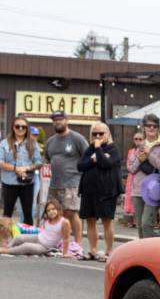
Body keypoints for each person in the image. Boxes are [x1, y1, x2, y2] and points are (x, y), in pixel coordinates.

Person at [44, 110, 89, 246]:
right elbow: (46, 160)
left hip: (72, 183)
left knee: (72, 213)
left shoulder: (77, 138)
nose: (57, 122)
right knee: (55, 214)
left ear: (67, 120)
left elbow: (88, 156)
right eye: (55, 120)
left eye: (60, 119)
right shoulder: (50, 141)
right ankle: (61, 243)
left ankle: (78, 244)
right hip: (54, 184)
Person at [77, 123, 121, 261]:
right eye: (94, 134)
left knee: (107, 220)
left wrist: (98, 150)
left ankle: (108, 252)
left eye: (100, 133)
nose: (97, 136)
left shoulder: (113, 149)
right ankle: (93, 250)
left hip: (107, 191)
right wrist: (93, 159)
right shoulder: (89, 149)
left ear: (107, 134)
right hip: (89, 190)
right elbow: (80, 166)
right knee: (90, 220)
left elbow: (106, 164)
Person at [127, 114, 160, 239]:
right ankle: (144, 254)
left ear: (158, 128)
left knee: (146, 224)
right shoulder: (139, 145)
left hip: (153, 190)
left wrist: (150, 155)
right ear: (144, 128)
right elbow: (131, 169)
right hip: (137, 190)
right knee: (140, 227)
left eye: (155, 126)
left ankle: (153, 253)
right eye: (148, 126)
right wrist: (140, 160)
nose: (151, 128)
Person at [0, 198, 80, 258]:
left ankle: (6, 251)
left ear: (58, 209)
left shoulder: (64, 222)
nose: (51, 212)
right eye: (48, 210)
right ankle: (7, 246)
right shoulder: (48, 220)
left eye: (53, 209)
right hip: (38, 237)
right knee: (19, 238)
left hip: (45, 246)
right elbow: (44, 231)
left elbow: (66, 239)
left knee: (26, 246)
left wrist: (65, 253)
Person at [1, 115, 43, 221]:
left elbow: (39, 162)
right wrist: (16, 169)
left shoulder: (33, 143)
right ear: (13, 127)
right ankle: (5, 237)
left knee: (28, 214)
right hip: (9, 182)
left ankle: (27, 238)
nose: (20, 129)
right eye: (17, 126)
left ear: (27, 128)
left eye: (23, 127)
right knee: (7, 214)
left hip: (28, 183)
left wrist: (27, 168)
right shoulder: (4, 143)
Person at [123, 131, 145, 227]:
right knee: (130, 197)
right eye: (136, 139)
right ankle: (130, 221)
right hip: (131, 176)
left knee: (139, 197)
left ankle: (137, 220)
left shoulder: (144, 150)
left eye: (140, 139)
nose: (138, 141)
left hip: (140, 176)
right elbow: (128, 163)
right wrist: (130, 167)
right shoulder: (131, 151)